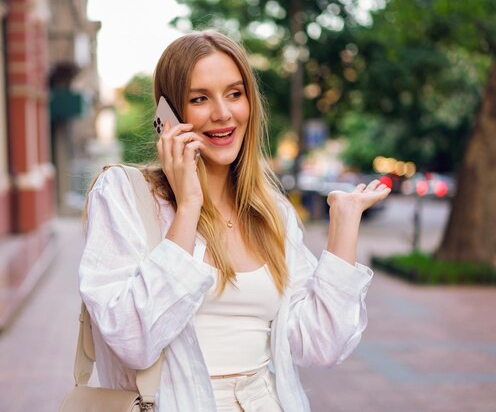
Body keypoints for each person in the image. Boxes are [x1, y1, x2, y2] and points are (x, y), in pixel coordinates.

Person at [79, 30, 391, 412]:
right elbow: (132, 340)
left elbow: (319, 347)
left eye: (234, 93)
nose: (223, 113)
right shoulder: (125, 195)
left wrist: (344, 225)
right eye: (199, 99)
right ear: (169, 115)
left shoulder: (270, 212)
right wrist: (189, 203)